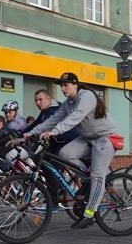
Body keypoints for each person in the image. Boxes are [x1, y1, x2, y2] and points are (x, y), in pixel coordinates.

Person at [24, 72, 120, 229]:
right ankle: (89, 180)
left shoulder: (87, 96)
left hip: (105, 137)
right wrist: (31, 132)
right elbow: (53, 119)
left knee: (97, 175)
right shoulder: (67, 103)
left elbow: (75, 117)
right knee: (65, 154)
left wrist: (55, 132)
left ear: (75, 84)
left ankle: (90, 212)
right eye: (61, 85)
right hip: (88, 138)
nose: (62, 88)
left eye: (65, 85)